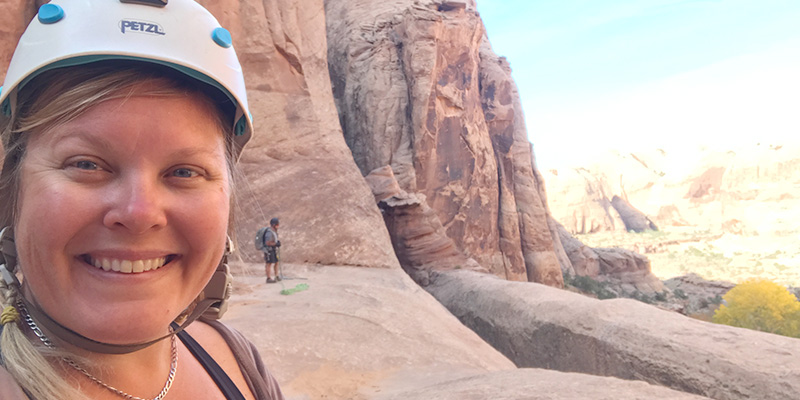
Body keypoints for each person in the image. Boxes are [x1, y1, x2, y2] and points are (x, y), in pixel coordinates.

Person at [0, 1, 284, 399]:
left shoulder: (235, 359)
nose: (139, 213)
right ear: (14, 191)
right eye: (86, 164)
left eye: (184, 172)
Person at [263, 218, 282, 283]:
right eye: (277, 224)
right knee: (269, 263)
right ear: (274, 225)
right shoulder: (269, 232)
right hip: (268, 250)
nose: (278, 226)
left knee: (276, 262)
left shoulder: (274, 231)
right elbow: (267, 242)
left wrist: (277, 243)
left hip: (273, 249)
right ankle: (268, 278)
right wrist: (275, 244)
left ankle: (276, 276)